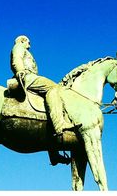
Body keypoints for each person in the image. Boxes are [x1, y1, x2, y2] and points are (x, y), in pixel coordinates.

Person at [9, 35, 74, 165]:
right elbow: (16, 59)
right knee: (54, 89)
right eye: (28, 42)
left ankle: (54, 154)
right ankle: (60, 125)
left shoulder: (25, 49)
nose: (30, 45)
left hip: (29, 77)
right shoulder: (19, 47)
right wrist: (20, 71)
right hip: (27, 77)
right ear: (22, 41)